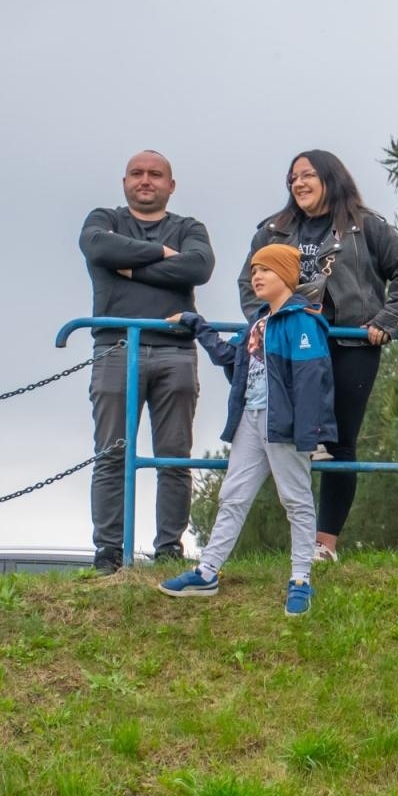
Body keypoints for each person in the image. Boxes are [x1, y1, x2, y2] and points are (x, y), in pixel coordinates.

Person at [240, 150, 398, 564]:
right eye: (292, 178)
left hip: (350, 346)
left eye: (307, 175)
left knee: (340, 442)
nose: (299, 183)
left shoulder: (366, 225)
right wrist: (268, 324)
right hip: (289, 349)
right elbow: (247, 283)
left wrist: (388, 318)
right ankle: (293, 543)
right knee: (289, 441)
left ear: (331, 177)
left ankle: (324, 545)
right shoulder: (274, 229)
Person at [159, 244, 336, 616]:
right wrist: (197, 324)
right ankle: (207, 571)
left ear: (286, 276)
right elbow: (228, 355)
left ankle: (301, 579)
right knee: (233, 496)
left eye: (266, 271)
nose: (257, 276)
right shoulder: (258, 323)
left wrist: (312, 432)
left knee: (296, 499)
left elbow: (311, 379)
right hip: (250, 422)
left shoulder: (302, 321)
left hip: (282, 426)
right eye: (254, 270)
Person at [79, 150, 215, 574]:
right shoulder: (105, 219)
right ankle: (108, 554)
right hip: (117, 350)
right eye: (137, 173)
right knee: (111, 455)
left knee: (174, 457)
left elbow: (198, 267)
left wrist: (132, 269)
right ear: (124, 182)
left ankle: (169, 551)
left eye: (156, 175)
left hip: (176, 351)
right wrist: (162, 253)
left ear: (170, 186)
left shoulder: (189, 227)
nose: (146, 180)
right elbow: (96, 247)